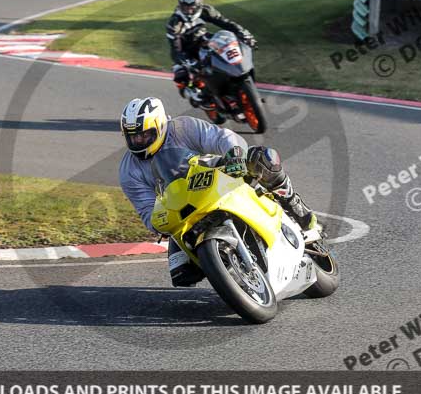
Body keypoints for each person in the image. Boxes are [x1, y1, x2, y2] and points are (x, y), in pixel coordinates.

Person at [119, 97, 319, 286]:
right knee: (181, 273)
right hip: (182, 209)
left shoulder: (183, 127)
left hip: (218, 176)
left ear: (161, 125)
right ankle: (228, 270)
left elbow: (220, 138)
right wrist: (159, 223)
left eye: (145, 134)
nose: (139, 140)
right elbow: (146, 210)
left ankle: (292, 202)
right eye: (133, 136)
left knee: (261, 158)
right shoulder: (128, 171)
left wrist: (233, 154)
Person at [166, 0, 256, 104]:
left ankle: (232, 79)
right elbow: (176, 50)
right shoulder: (174, 23)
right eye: (185, 7)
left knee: (227, 48)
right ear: (180, 5)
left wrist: (242, 32)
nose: (189, 10)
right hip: (186, 50)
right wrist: (188, 61)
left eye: (192, 7)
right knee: (181, 76)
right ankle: (195, 95)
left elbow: (224, 22)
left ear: (199, 4)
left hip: (204, 40)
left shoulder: (205, 10)